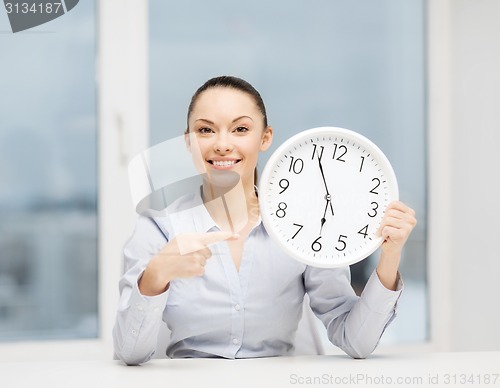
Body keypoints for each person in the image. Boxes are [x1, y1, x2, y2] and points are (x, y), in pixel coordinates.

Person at [112, 75, 417, 365]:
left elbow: (357, 341)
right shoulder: (158, 228)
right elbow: (130, 353)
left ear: (265, 138)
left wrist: (389, 255)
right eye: (206, 130)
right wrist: (155, 276)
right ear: (188, 141)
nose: (222, 144)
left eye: (240, 129)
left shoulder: (307, 228)